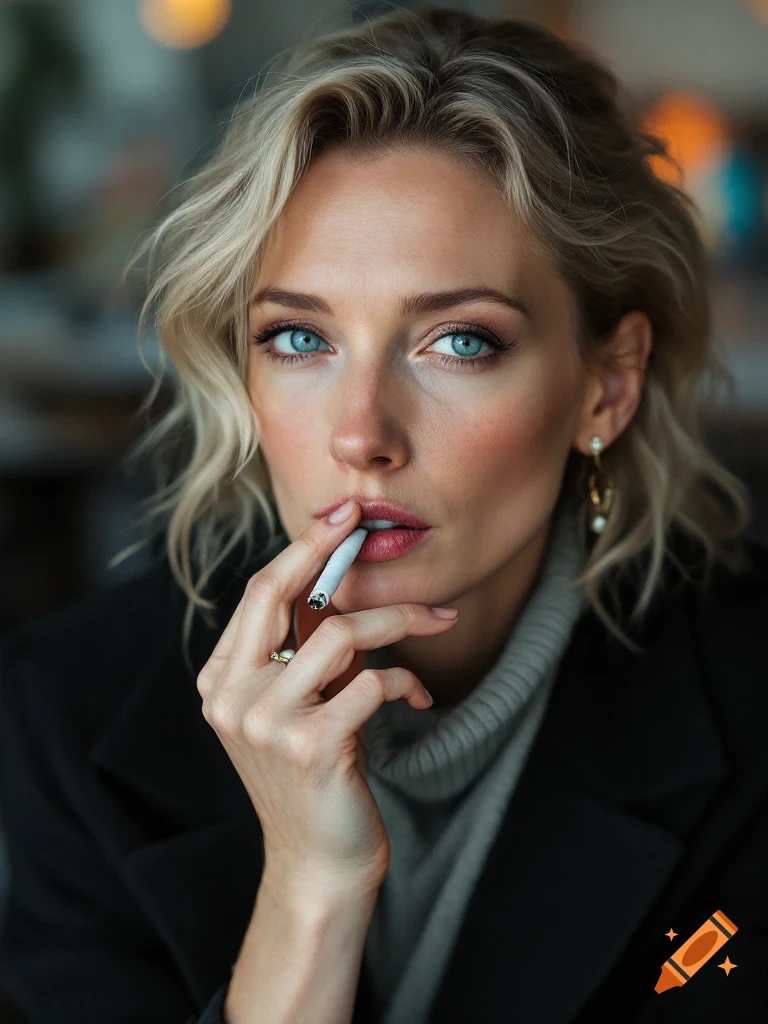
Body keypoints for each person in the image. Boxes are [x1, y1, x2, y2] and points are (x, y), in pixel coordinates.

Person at [1, 5, 767, 1023]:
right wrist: (311, 894)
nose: (362, 433)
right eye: (298, 339)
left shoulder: (752, 701)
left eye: (458, 342)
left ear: (607, 385)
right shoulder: (70, 712)